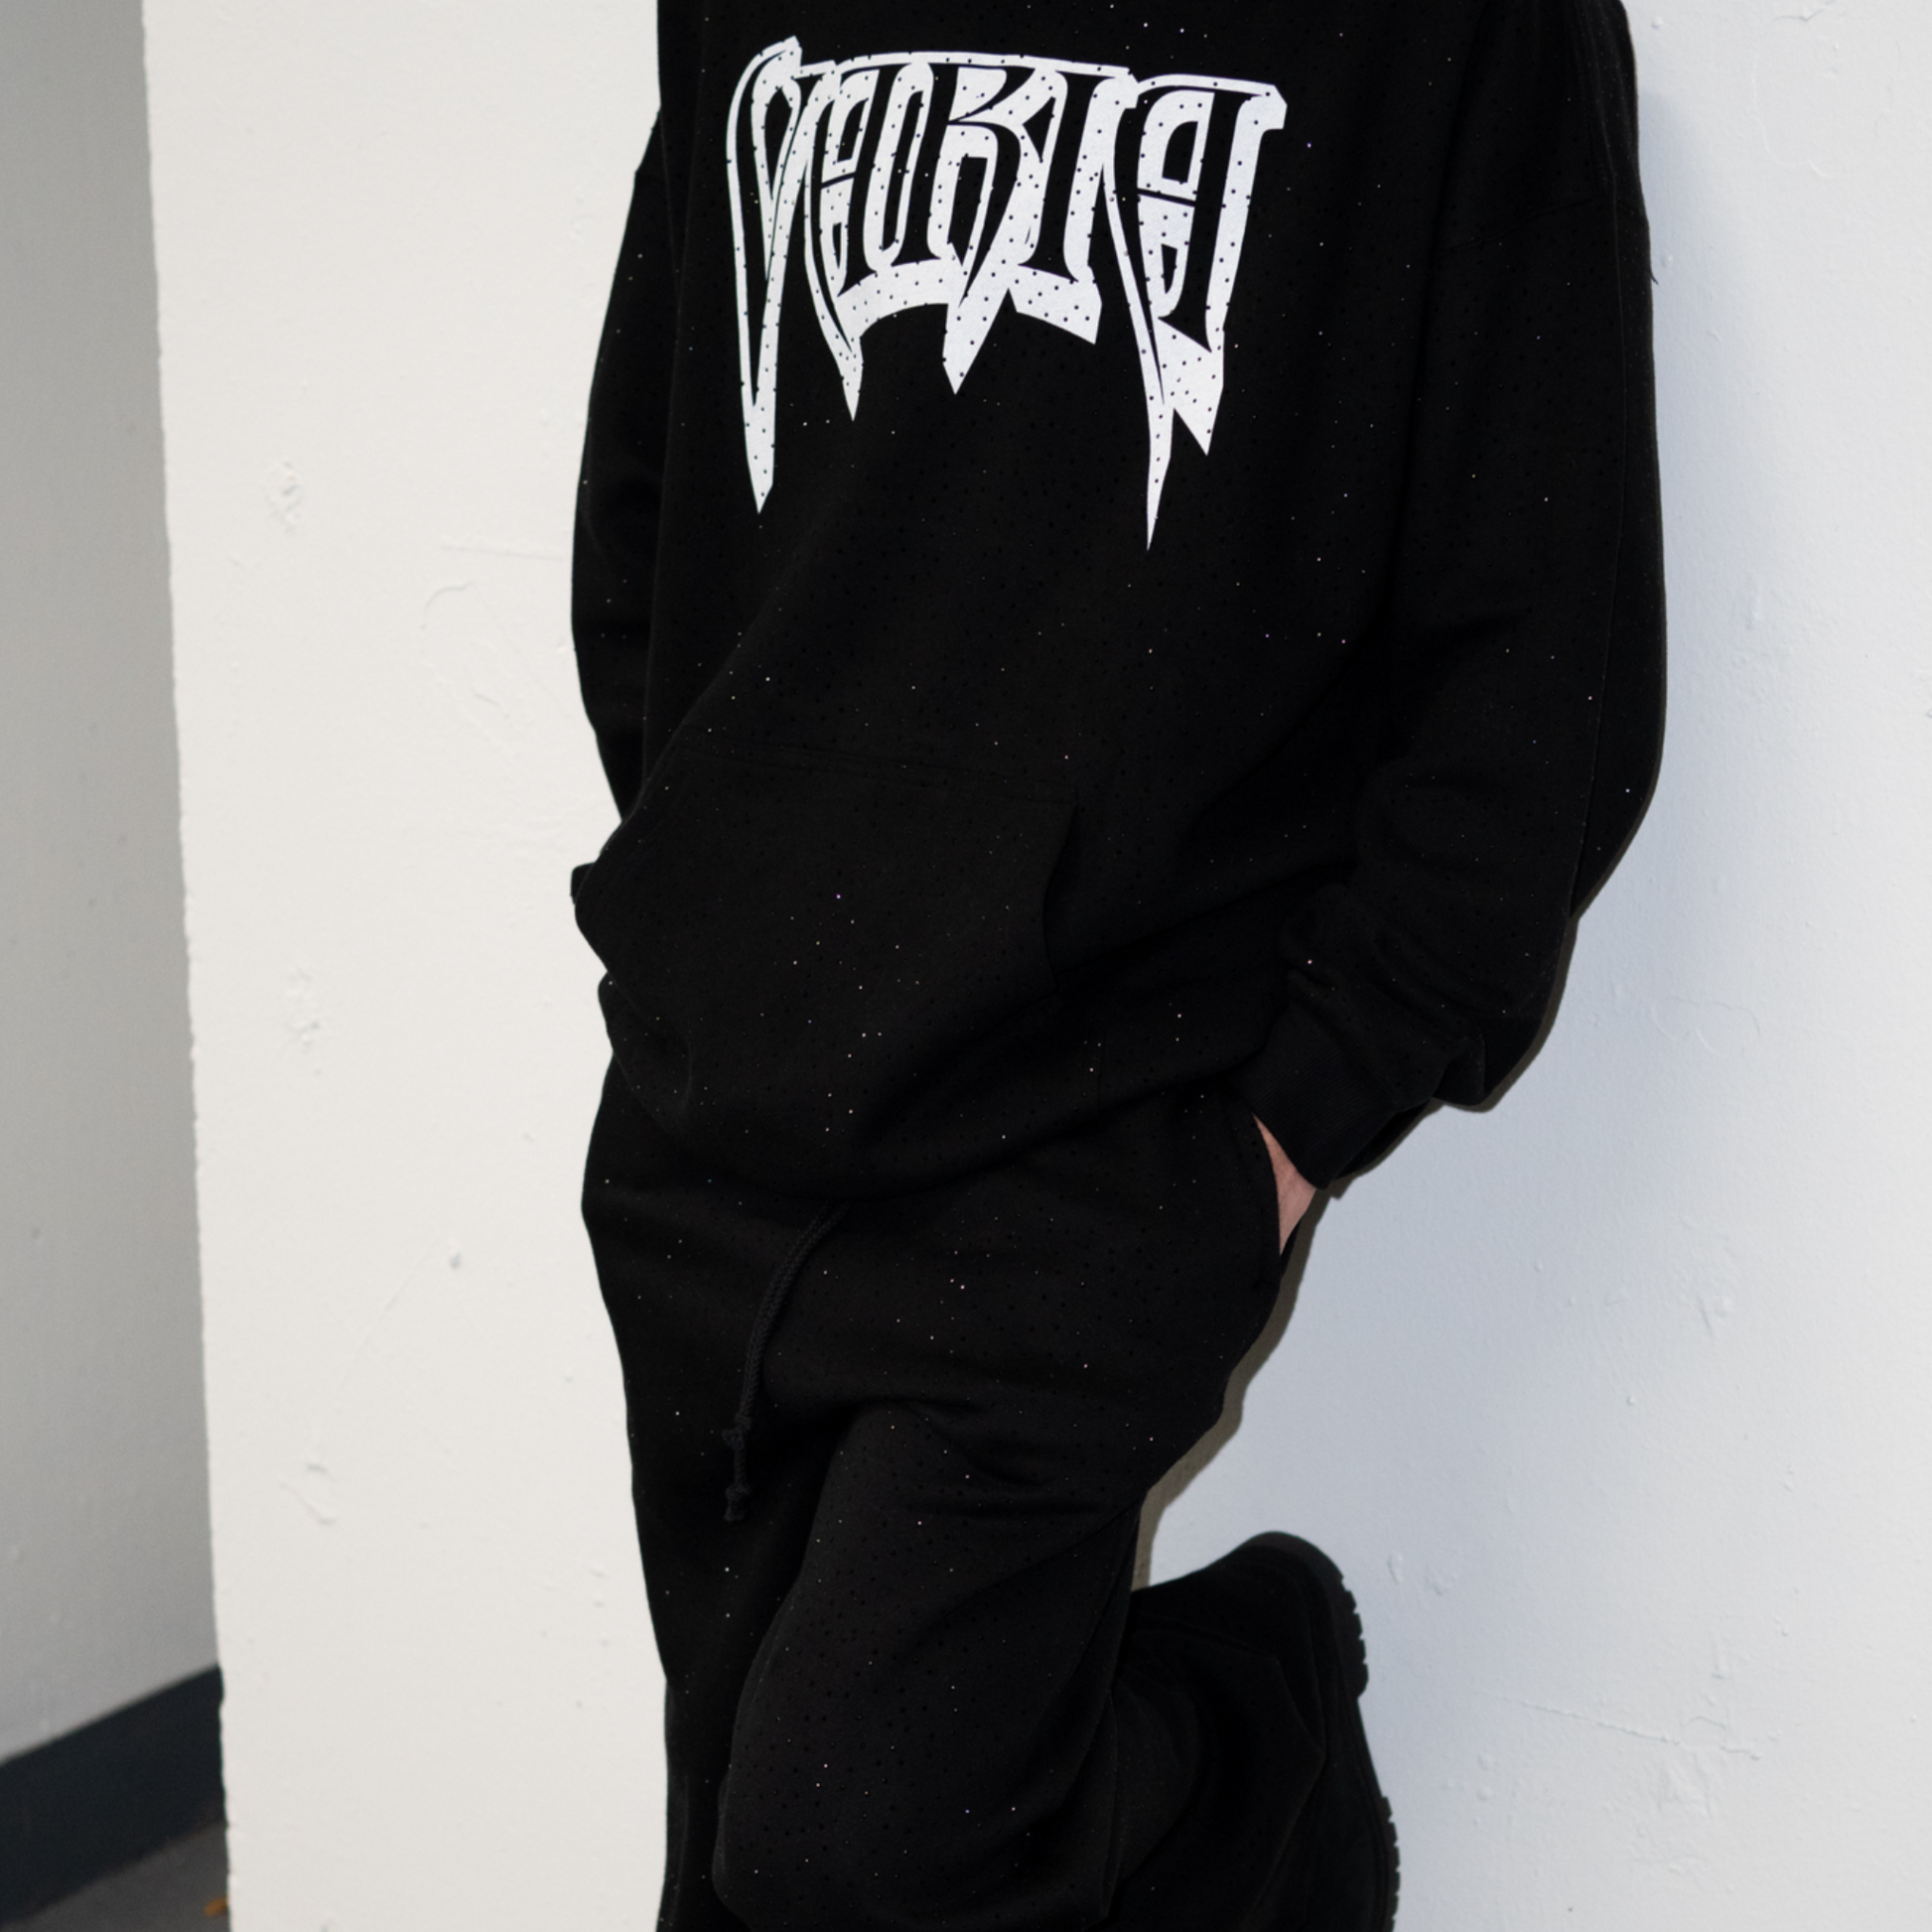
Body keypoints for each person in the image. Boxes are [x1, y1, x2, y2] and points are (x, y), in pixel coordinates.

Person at [568, 0, 1663, 1924]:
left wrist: (1286, 1130)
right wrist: (708, 918)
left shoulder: (1462, 34)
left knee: (851, 1846)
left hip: (1097, 1145)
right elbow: (651, 497)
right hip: (713, 1129)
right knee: (733, 1873)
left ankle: (1258, 1718)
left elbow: (1542, 657)